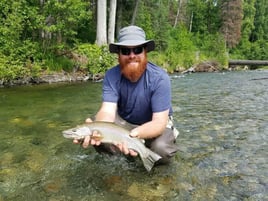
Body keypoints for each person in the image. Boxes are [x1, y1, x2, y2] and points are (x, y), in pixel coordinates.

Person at [74, 25, 179, 165]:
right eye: (125, 51)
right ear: (118, 54)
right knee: (99, 134)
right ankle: (118, 160)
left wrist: (131, 137)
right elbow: (107, 110)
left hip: (153, 123)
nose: (132, 56)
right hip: (124, 122)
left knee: (161, 150)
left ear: (145, 51)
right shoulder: (111, 75)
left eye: (137, 49)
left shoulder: (160, 78)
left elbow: (159, 123)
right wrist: (96, 128)